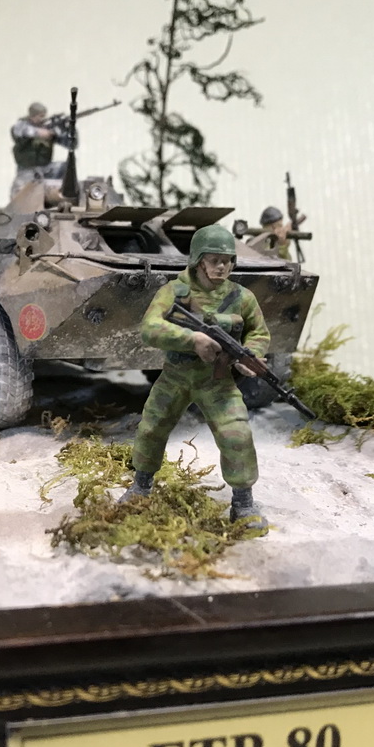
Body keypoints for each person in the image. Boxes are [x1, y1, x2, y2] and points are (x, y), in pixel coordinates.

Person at [120, 224, 270, 529]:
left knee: (237, 434)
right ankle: (141, 487)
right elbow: (149, 328)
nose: (221, 267)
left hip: (217, 381)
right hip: (175, 376)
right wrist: (192, 340)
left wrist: (250, 356)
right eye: (214, 260)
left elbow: (259, 333)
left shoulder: (242, 297)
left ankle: (243, 504)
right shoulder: (174, 292)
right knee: (151, 428)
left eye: (227, 260)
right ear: (198, 261)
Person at [9, 101, 73, 200]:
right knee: (20, 197)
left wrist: (67, 129)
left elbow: (71, 144)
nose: (42, 119)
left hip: (46, 168)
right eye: (40, 116)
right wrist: (40, 132)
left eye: (43, 116)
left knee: (66, 166)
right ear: (32, 116)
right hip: (27, 170)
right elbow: (19, 130)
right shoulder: (22, 125)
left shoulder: (48, 127)